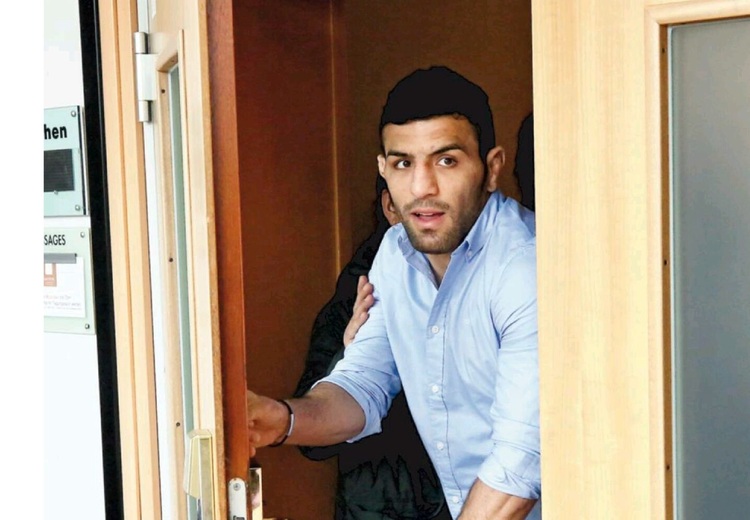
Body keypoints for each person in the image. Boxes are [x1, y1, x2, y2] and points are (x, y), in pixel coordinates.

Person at [247, 65, 541, 519]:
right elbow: (362, 385)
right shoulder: (394, 253)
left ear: (492, 168)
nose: (422, 187)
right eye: (403, 163)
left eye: (446, 160)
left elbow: (519, 467)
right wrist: (280, 420)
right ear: (383, 170)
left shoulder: (524, 266)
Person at [293, 173, 449, 519]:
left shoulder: (475, 272)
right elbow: (312, 443)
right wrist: (350, 352)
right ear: (390, 207)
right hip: (381, 503)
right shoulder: (355, 298)